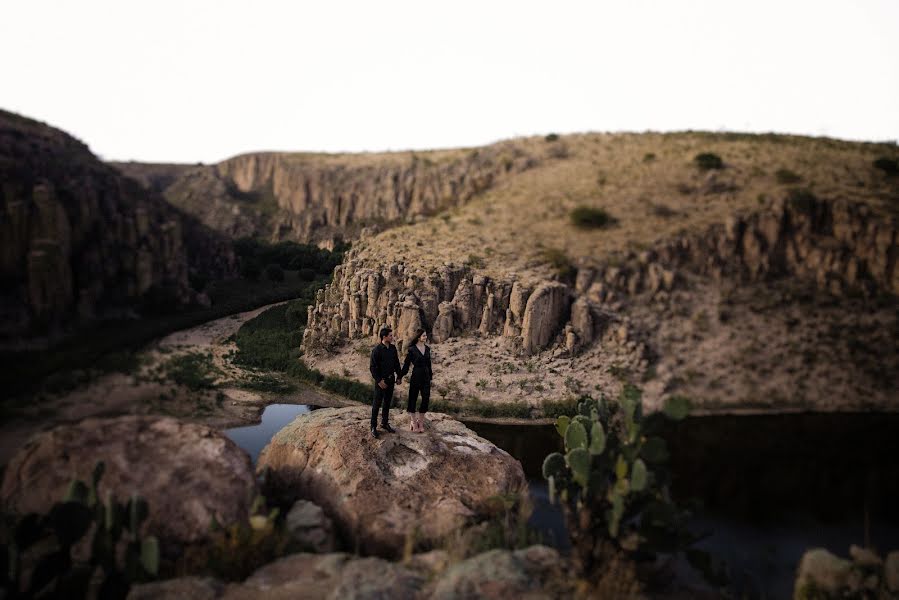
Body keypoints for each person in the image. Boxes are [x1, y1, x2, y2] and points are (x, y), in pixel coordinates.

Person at [368, 326, 402, 438]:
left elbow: (396, 363)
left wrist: (399, 376)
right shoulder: (377, 350)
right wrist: (378, 380)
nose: (392, 337)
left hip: (391, 379)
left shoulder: (392, 348)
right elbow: (372, 367)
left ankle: (384, 423)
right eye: (391, 335)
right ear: (384, 337)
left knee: (387, 403)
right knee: (376, 404)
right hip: (381, 381)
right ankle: (373, 426)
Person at [400, 328, 433, 433]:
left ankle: (421, 421)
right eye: (424, 335)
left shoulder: (427, 349)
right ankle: (413, 421)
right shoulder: (412, 349)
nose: (425, 337)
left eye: (426, 335)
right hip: (416, 376)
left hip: (426, 377)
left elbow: (429, 364)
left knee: (425, 399)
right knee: (413, 398)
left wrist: (430, 376)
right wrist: (400, 375)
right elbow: (406, 364)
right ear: (419, 337)